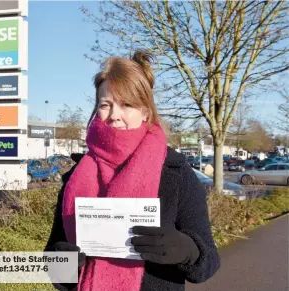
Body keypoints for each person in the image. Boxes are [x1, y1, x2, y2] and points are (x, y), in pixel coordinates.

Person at [45, 49, 220, 291]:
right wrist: (62, 264)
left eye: (126, 104)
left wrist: (187, 250)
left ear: (145, 111)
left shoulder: (176, 174)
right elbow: (54, 265)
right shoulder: (75, 177)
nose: (114, 116)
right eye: (105, 104)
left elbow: (208, 263)